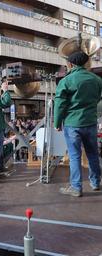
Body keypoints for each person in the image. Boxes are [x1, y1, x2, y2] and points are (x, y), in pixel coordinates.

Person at [54, 51, 102, 197]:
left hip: (72, 123)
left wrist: (57, 122)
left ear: (70, 64)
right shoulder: (97, 79)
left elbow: (60, 104)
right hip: (91, 122)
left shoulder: (66, 81)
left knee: (75, 156)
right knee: (93, 154)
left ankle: (76, 187)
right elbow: (98, 98)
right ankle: (96, 183)